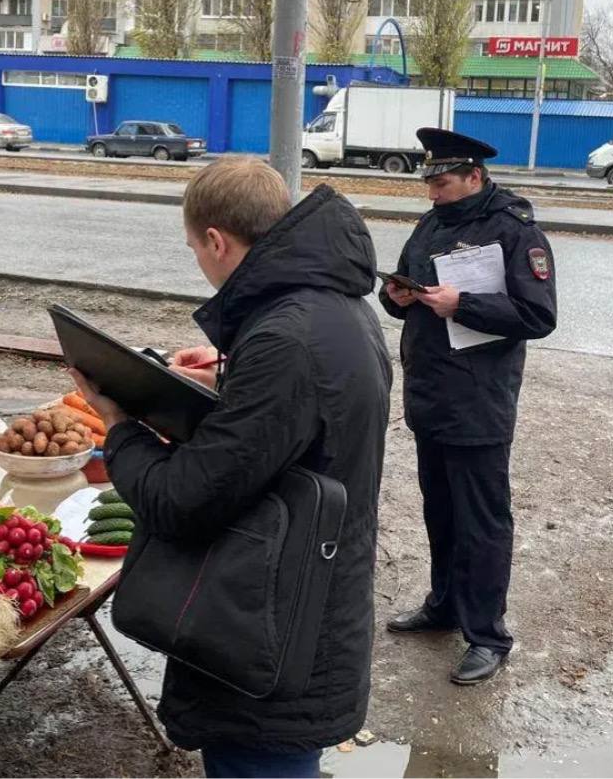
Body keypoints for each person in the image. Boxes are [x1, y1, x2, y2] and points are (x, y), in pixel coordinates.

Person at [71, 157, 392, 779]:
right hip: (300, 594)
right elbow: (305, 416)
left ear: (217, 240)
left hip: (271, 624)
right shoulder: (327, 304)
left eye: (195, 248)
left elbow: (179, 502)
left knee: (261, 765)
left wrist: (117, 424)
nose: (199, 260)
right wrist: (229, 374)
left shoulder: (286, 340)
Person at [379, 128, 557, 685]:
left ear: (475, 176)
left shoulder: (514, 230)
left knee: (482, 520)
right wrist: (397, 297)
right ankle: (445, 606)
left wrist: (466, 305)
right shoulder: (433, 222)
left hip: (479, 400)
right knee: (442, 510)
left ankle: (487, 635)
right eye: (429, 182)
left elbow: (538, 317)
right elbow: (401, 296)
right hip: (431, 394)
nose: (433, 192)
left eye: (444, 181)